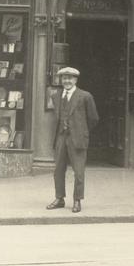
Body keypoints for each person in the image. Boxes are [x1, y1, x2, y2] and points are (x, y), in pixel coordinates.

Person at [45, 66, 99, 213]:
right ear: (61, 80)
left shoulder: (85, 96)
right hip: (61, 137)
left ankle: (77, 200)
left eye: (70, 78)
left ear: (75, 80)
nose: (67, 81)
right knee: (58, 169)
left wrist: (81, 131)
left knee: (79, 171)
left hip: (78, 138)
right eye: (64, 78)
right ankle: (59, 198)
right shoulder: (56, 96)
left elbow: (93, 118)